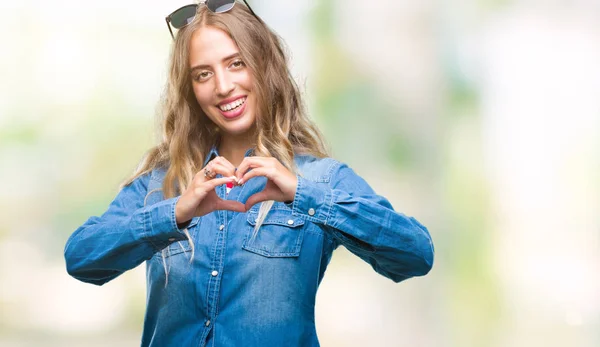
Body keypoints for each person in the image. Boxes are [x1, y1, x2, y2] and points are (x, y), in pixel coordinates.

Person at [64, 1, 434, 346]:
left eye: (236, 63)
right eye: (203, 74)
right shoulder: (162, 185)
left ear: (264, 66)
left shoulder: (320, 180)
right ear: (190, 90)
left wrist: (304, 197)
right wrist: (175, 213)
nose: (223, 87)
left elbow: (415, 254)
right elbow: (82, 258)